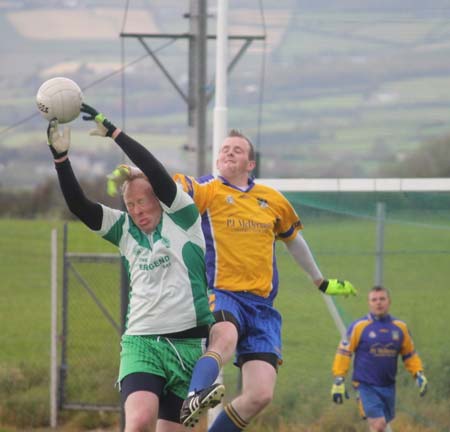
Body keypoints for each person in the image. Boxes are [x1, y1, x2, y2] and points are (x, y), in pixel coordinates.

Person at [163, 130, 356, 430]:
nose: (228, 152)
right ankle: (195, 394)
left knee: (260, 394)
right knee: (224, 337)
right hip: (223, 293)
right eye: (224, 149)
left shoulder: (272, 200)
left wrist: (320, 281)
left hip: (263, 307)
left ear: (251, 164)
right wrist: (141, 173)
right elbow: (172, 188)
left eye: (237, 150)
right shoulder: (208, 189)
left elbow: (295, 242)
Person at [46, 103, 218, 432]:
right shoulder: (124, 231)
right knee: (138, 423)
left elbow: (154, 172)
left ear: (160, 199)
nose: (137, 210)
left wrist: (114, 134)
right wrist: (61, 158)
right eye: (130, 205)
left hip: (188, 346)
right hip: (141, 342)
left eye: (142, 201)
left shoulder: (183, 218)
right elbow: (79, 206)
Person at [331, 285, 428, 432]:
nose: (378, 302)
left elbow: (409, 355)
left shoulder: (400, 328)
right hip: (365, 386)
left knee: (380, 426)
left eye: (382, 299)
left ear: (389, 301)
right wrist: (339, 378)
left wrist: (418, 374)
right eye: (374, 299)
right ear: (369, 303)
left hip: (388, 386)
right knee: (378, 424)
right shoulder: (359, 327)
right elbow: (344, 352)